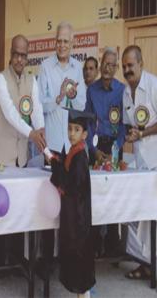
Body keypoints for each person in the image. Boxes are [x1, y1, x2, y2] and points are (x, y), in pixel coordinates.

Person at [121, 45, 157, 294]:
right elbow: (128, 125)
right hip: (142, 163)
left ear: (141, 64)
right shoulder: (125, 92)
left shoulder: (154, 85)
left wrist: (143, 133)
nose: (127, 70)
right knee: (142, 215)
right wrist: (132, 135)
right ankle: (145, 264)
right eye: (124, 66)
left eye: (131, 65)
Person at [0, 34, 45, 273]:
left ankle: (14, 259)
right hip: (2, 155)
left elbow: (37, 108)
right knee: (0, 209)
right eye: (16, 54)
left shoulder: (32, 81)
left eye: (24, 55)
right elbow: (12, 114)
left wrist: (41, 129)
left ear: (27, 57)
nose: (19, 59)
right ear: (10, 54)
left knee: (17, 210)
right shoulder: (0, 79)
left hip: (21, 156)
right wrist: (33, 134)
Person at [37, 21, 86, 265]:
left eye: (66, 41)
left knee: (71, 205)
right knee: (50, 201)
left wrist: (73, 96)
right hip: (54, 144)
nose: (62, 45)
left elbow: (81, 104)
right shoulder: (45, 67)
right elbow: (40, 105)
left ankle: (67, 258)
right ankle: (46, 261)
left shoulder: (78, 69)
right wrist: (57, 98)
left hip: (74, 146)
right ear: (54, 42)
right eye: (59, 40)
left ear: (73, 43)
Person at [49, 108, 96, 298]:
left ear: (84, 134)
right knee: (74, 256)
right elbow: (66, 174)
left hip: (78, 217)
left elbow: (72, 184)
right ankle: (80, 293)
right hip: (73, 215)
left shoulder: (80, 156)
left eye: (76, 129)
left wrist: (55, 167)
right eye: (69, 128)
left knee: (79, 256)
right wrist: (55, 161)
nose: (71, 133)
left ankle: (84, 294)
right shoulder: (73, 152)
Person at [84, 47, 125, 257]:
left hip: (115, 147)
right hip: (97, 147)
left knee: (115, 196)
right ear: (101, 66)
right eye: (104, 64)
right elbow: (89, 124)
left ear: (116, 67)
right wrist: (93, 149)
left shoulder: (122, 90)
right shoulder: (92, 90)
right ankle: (93, 243)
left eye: (112, 64)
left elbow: (125, 125)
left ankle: (113, 245)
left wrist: (115, 151)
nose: (107, 68)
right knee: (95, 196)